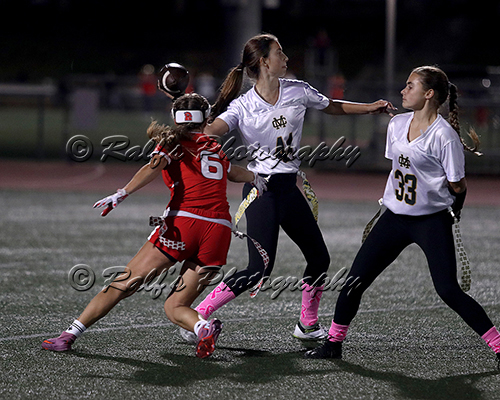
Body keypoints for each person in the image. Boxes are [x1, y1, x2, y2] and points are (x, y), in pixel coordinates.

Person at [180, 33, 394, 345]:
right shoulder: (242, 106)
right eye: (279, 53)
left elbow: (332, 106)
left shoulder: (298, 90)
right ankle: (197, 314)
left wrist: (370, 108)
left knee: (319, 257)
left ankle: (306, 324)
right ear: (264, 62)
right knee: (258, 269)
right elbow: (210, 132)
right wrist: (187, 127)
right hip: (261, 191)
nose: (286, 58)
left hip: (288, 189)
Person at [42, 93, 267, 359]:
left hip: (184, 224)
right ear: (206, 119)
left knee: (122, 284)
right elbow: (232, 172)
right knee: (176, 306)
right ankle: (202, 327)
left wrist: (123, 192)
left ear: (175, 117)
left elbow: (152, 167)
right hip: (218, 232)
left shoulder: (172, 143)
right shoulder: (214, 148)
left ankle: (68, 336)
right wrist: (255, 177)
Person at [305, 66, 500, 369]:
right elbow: (401, 168)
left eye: (411, 86)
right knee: (355, 281)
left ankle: (498, 347)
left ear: (429, 94)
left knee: (448, 290)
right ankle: (333, 344)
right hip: (394, 218)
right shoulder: (396, 124)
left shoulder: (444, 136)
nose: (403, 91)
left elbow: (458, 186)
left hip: (430, 221)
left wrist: (454, 212)